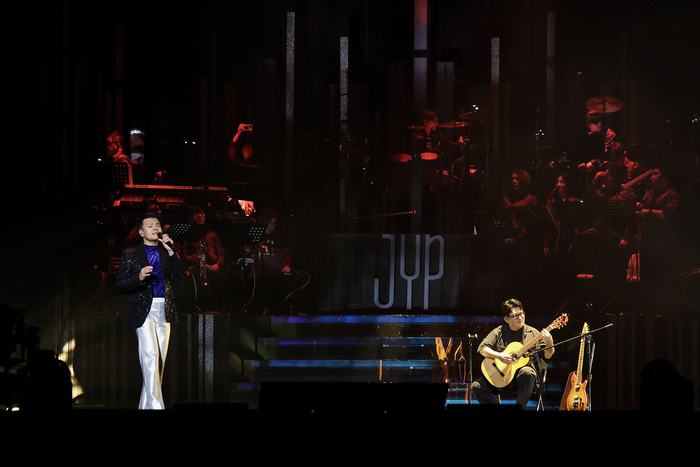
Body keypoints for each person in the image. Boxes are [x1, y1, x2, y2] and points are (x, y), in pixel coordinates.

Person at [115, 212, 182, 409]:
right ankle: (157, 407)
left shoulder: (165, 252)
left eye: (157, 225)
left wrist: (172, 252)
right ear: (141, 232)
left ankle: (146, 406)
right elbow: (119, 286)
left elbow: (179, 276)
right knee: (150, 356)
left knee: (158, 361)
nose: (155, 228)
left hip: (165, 309)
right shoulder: (131, 253)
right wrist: (139, 277)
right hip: (143, 310)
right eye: (150, 225)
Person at [471, 299, 555, 409]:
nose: (520, 318)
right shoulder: (499, 332)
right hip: (502, 378)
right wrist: (499, 356)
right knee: (476, 387)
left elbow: (547, 356)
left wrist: (550, 342)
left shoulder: (533, 333)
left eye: (521, 314)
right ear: (506, 319)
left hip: (524, 382)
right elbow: (482, 349)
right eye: (515, 316)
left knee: (527, 372)